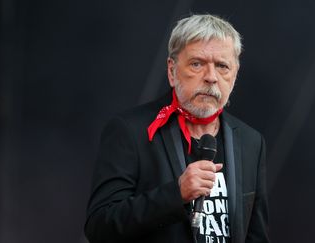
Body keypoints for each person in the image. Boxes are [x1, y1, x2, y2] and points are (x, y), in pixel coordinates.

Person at [84, 14, 269, 243]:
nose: (211, 77)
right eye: (197, 64)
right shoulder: (130, 132)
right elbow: (100, 226)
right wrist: (176, 194)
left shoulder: (251, 141)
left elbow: (256, 235)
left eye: (222, 66)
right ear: (172, 71)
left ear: (235, 74)